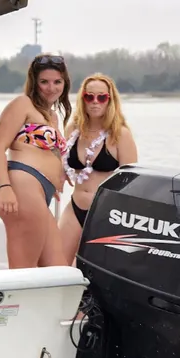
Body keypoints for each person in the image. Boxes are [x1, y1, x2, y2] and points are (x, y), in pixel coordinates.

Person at [0, 53, 74, 269]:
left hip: (40, 192)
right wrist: (5, 186)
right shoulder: (22, 104)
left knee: (57, 270)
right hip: (21, 187)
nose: (51, 88)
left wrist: (59, 175)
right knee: (23, 270)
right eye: (44, 82)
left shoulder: (52, 116)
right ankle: (14, 304)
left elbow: (50, 152)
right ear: (34, 83)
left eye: (57, 82)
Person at [56, 73, 139, 256]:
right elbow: (60, 160)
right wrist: (57, 178)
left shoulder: (120, 134)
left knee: (91, 268)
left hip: (106, 213)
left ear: (110, 100)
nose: (95, 102)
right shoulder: (73, 130)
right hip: (75, 206)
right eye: (89, 96)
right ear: (82, 99)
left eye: (101, 97)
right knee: (57, 262)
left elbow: (132, 182)